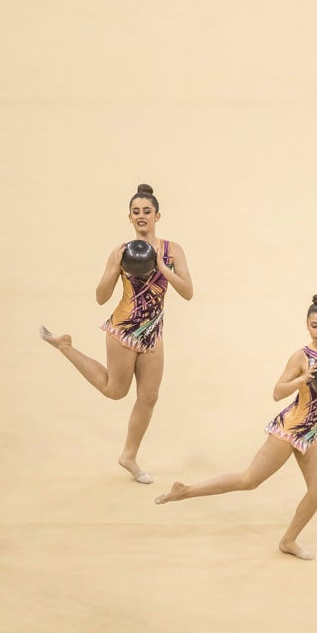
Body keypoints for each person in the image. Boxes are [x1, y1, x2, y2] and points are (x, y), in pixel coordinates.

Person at [155, 294, 317, 561]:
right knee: (249, 480)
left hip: (310, 432)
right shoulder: (301, 357)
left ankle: (288, 541)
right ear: (307, 326)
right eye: (314, 326)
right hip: (289, 429)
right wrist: (303, 380)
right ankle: (185, 491)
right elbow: (277, 392)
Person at [40, 183, 193, 485]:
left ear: (157, 216)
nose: (141, 216)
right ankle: (66, 347)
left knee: (149, 397)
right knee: (115, 391)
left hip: (153, 333)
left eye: (146, 211)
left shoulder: (172, 250)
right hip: (124, 329)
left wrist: (163, 268)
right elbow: (100, 297)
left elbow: (188, 292)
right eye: (136, 212)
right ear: (129, 217)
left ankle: (129, 456)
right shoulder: (121, 252)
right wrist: (112, 268)